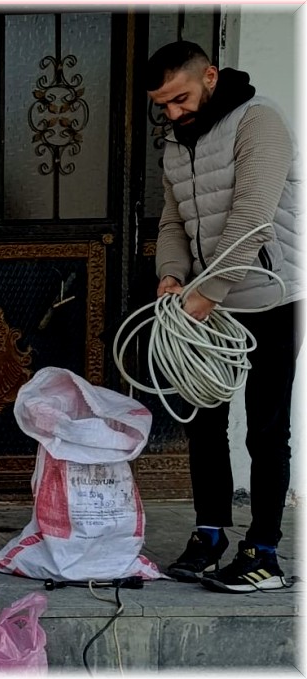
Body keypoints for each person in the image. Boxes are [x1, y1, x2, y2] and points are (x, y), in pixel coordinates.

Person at [145, 41, 302, 592]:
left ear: (210, 76)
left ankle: (263, 552)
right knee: (204, 424)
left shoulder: (259, 122)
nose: (174, 113)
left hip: (271, 300)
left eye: (181, 98)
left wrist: (205, 293)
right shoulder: (176, 141)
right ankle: (209, 534)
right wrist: (172, 275)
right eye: (163, 105)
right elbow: (173, 221)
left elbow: (253, 217)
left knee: (266, 428)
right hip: (206, 306)